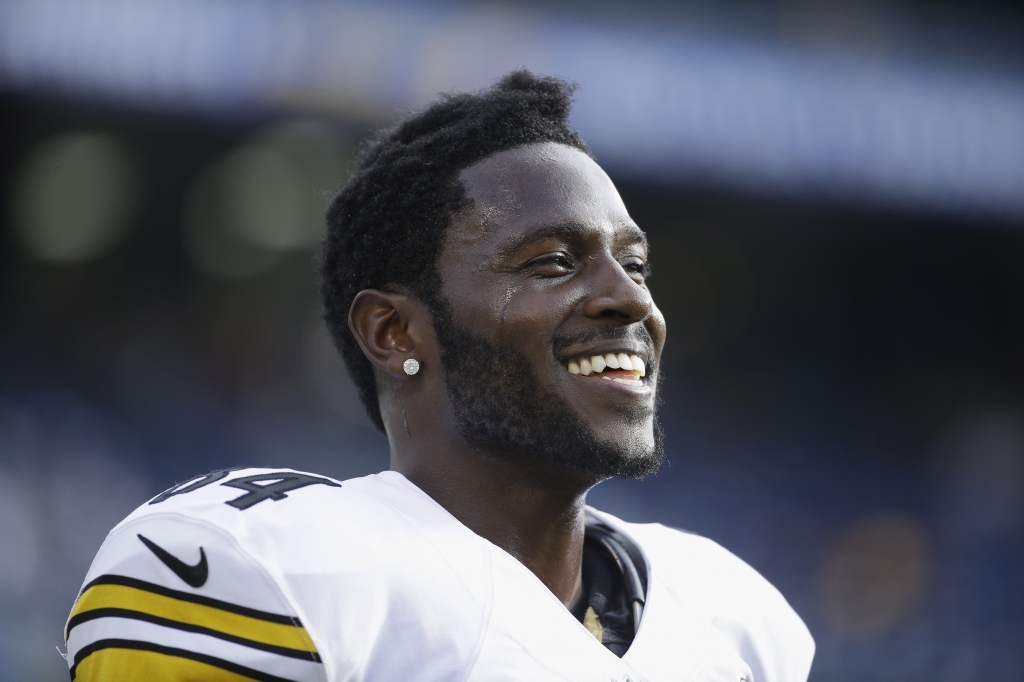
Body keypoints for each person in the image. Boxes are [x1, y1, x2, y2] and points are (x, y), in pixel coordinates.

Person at [64, 71, 814, 682]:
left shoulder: (734, 616)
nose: (630, 298)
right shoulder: (260, 567)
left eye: (636, 264)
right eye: (553, 261)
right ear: (394, 332)